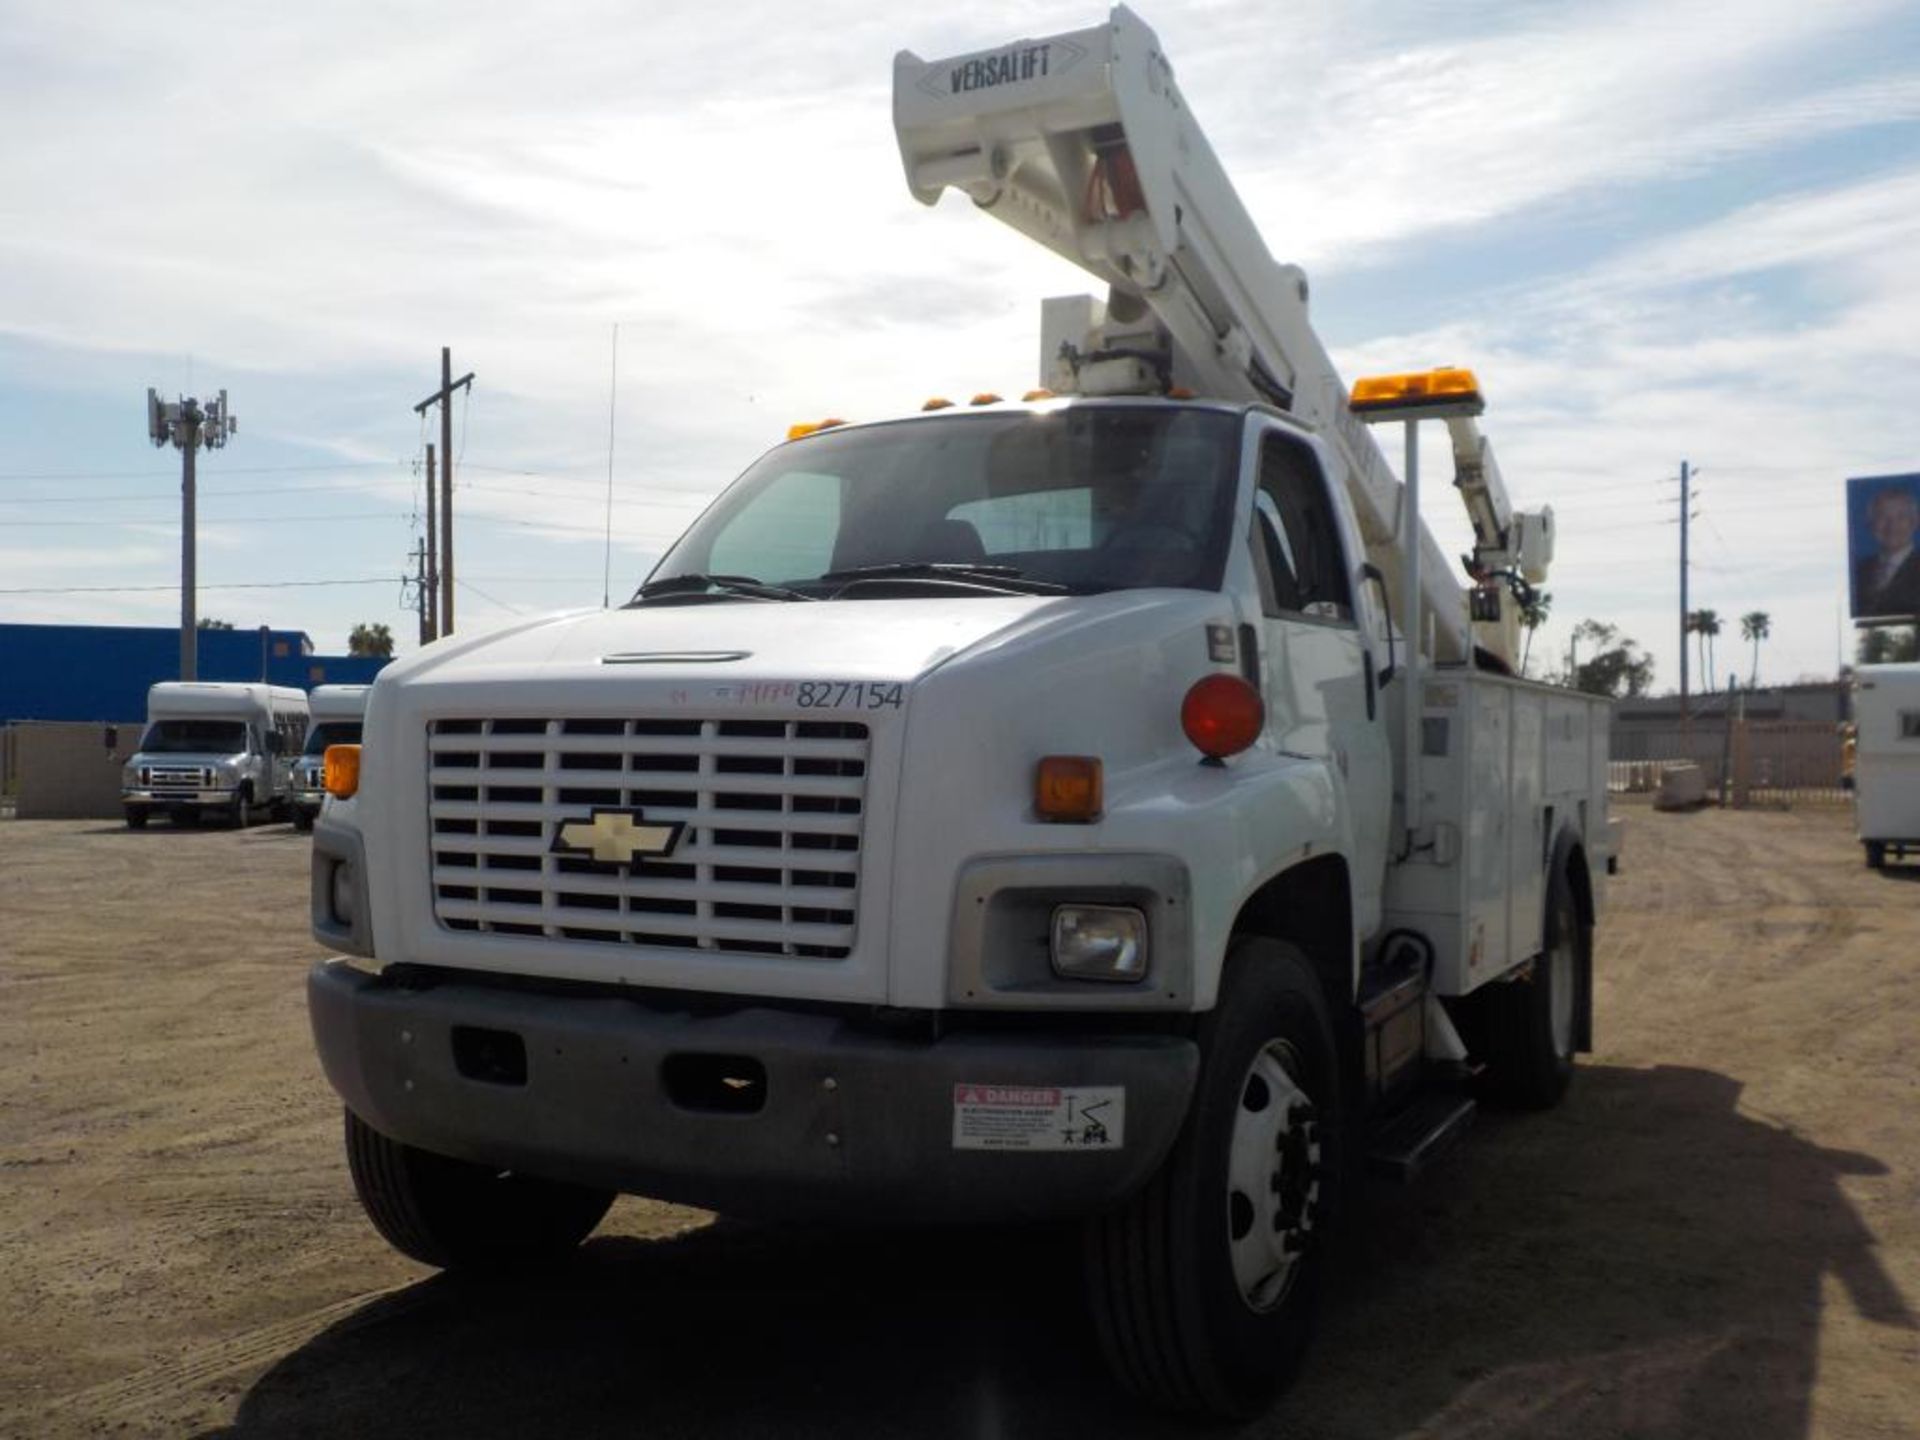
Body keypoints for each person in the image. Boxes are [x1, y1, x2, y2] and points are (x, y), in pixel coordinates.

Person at [1853, 485, 1920, 617]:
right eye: (1882, 517)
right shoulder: (1860, 571)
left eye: (1901, 517)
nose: (1892, 525)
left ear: (1914, 522)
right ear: (1871, 524)